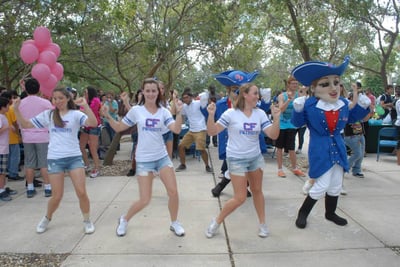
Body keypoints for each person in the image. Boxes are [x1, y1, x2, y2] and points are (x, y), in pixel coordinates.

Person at [290, 56, 371, 229]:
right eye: (325, 84)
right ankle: (303, 213)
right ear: (314, 88)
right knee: (322, 184)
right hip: (320, 149)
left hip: (338, 147)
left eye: (336, 82)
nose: (333, 88)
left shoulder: (342, 103)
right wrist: (297, 110)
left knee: (335, 184)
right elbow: (297, 124)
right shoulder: (310, 104)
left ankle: (330, 213)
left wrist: (362, 107)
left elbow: (353, 118)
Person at [101, 78, 186, 237]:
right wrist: (107, 116)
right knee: (145, 200)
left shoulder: (164, 111)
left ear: (158, 92)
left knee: (173, 192)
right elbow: (120, 127)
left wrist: (180, 112)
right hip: (144, 161)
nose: (151, 93)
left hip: (161, 158)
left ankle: (174, 223)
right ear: (143, 92)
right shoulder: (136, 111)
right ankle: (124, 219)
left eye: (154, 90)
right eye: (148, 90)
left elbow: (175, 129)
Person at [14, 87, 98, 234]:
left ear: (67, 99)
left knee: (81, 192)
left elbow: (93, 122)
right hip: (55, 159)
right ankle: (47, 218)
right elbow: (26, 125)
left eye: (61, 98)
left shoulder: (76, 114)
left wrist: (85, 105)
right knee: (57, 196)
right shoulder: (49, 115)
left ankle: (87, 220)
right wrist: (16, 109)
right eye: (55, 98)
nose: (58, 101)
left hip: (74, 158)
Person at [204, 83, 280, 238]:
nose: (258, 96)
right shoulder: (230, 113)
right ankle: (217, 221)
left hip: (255, 158)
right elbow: (212, 131)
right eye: (255, 93)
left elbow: (273, 135)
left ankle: (262, 224)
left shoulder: (260, 114)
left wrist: (277, 117)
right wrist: (211, 115)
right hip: (236, 159)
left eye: (258, 94)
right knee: (240, 197)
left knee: (257, 191)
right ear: (244, 94)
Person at [211, 70, 270, 197]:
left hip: (250, 145)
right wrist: (206, 110)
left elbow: (263, 115)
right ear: (228, 90)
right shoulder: (221, 105)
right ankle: (227, 187)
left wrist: (266, 101)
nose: (238, 93)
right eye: (234, 89)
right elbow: (212, 122)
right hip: (231, 144)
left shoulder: (255, 104)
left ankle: (224, 187)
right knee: (233, 167)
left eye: (241, 89)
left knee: (243, 168)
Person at [18, 78, 53, 198]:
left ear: (26, 89)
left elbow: (19, 121)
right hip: (42, 136)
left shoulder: (20, 104)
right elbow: (51, 118)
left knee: (29, 163)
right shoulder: (45, 103)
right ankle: (48, 188)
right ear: (39, 89)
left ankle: (30, 188)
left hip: (27, 136)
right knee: (44, 163)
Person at [175, 89, 212, 173]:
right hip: (191, 130)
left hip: (200, 129)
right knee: (181, 146)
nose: (185, 99)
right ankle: (183, 164)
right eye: (184, 98)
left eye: (187, 97)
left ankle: (207, 166)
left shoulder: (198, 103)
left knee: (201, 149)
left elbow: (205, 96)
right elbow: (179, 113)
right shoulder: (184, 107)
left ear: (191, 97)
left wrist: (202, 94)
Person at [276, 76, 306, 178]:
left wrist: (304, 93)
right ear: (288, 84)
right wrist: (288, 100)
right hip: (281, 125)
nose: (295, 85)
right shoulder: (282, 96)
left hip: (292, 124)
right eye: (293, 83)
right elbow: (281, 109)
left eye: (296, 84)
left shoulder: (299, 95)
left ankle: (295, 168)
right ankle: (280, 169)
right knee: (279, 148)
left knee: (291, 148)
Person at [79, 86, 102, 178]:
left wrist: (79, 108)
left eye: (86, 92)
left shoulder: (95, 100)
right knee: (81, 146)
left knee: (92, 148)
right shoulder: (85, 101)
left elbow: (88, 111)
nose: (84, 94)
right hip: (85, 125)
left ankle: (97, 168)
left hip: (94, 126)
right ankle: (87, 164)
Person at [0, 97, 17, 201]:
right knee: (1, 171)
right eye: (7, 105)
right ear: (2, 107)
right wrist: (8, 127)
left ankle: (2, 188)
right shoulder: (0, 117)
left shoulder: (3, 116)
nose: (8, 107)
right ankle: (1, 190)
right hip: (1, 149)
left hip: (4, 147)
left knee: (3, 171)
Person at [295, 86, 308, 154]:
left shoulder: (307, 99)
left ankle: (300, 148)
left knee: (301, 136)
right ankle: (291, 148)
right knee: (293, 135)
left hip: (303, 123)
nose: (301, 92)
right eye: (300, 91)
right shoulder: (295, 99)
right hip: (295, 122)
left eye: (303, 91)